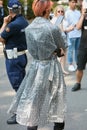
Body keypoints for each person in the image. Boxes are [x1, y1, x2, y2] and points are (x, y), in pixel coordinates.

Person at [7, 0, 66, 130]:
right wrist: (57, 50)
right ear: (47, 10)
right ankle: (57, 123)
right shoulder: (53, 28)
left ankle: (32, 125)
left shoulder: (29, 28)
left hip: (36, 67)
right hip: (51, 67)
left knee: (34, 98)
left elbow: (33, 48)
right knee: (57, 97)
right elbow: (62, 48)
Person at [0, 0, 29, 124]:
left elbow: (1, 38)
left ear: (10, 10)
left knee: (18, 87)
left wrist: (5, 22)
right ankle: (26, 111)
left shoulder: (12, 25)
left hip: (13, 59)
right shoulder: (24, 22)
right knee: (21, 85)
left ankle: (21, 114)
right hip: (21, 57)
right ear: (20, 9)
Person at [72, 7, 87, 91]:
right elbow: (77, 27)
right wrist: (82, 16)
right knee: (80, 67)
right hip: (83, 47)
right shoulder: (83, 19)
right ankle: (78, 83)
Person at [51, 5, 69, 75]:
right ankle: (57, 71)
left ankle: (62, 69)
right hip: (58, 40)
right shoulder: (56, 19)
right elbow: (59, 30)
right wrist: (68, 29)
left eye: (62, 11)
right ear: (56, 12)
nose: (60, 13)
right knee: (60, 56)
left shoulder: (63, 19)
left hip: (64, 38)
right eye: (59, 11)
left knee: (64, 55)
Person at [64, 0, 81, 72]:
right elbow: (65, 24)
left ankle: (77, 63)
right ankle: (70, 64)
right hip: (71, 34)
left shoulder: (78, 12)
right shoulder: (67, 13)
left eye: (75, 2)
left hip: (79, 34)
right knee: (70, 50)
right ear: (69, 3)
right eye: (72, 2)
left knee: (77, 50)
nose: (74, 4)